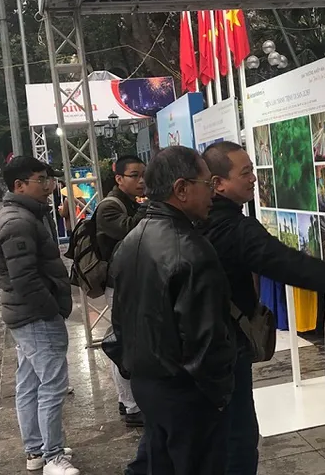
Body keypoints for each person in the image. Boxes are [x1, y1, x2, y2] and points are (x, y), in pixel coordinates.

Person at [200, 141, 325, 475]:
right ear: (218, 183)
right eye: (246, 172)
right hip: (226, 345)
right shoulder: (235, 228)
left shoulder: (196, 222)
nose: (254, 178)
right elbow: (286, 263)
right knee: (239, 435)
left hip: (197, 347)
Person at [110, 146, 237, 475]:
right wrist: (219, 394)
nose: (213, 194)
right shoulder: (192, 250)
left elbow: (120, 319)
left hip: (148, 384)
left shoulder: (131, 240)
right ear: (182, 189)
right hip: (186, 393)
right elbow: (206, 340)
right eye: (207, 185)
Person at [0, 156, 79, 475]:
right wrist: (51, 310)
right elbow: (25, 278)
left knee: (29, 383)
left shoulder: (21, 215)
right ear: (19, 185)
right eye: (41, 180)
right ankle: (53, 456)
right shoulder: (17, 221)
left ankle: (37, 450)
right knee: (53, 385)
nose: (49, 186)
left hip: (27, 315)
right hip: (36, 317)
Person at [96, 155, 148, 428]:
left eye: (144, 175)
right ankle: (131, 407)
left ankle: (126, 399)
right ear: (119, 179)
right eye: (135, 175)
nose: (142, 181)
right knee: (122, 345)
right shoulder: (109, 207)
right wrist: (147, 207)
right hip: (118, 286)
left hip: (130, 283)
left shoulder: (128, 202)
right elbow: (130, 233)